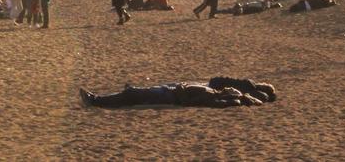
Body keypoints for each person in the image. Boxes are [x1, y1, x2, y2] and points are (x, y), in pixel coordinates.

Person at [79, 77, 277, 109]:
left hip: (175, 95)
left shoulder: (234, 96)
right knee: (136, 94)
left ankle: (96, 101)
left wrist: (247, 86)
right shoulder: (231, 94)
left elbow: (201, 100)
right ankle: (98, 99)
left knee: (134, 96)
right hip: (178, 92)